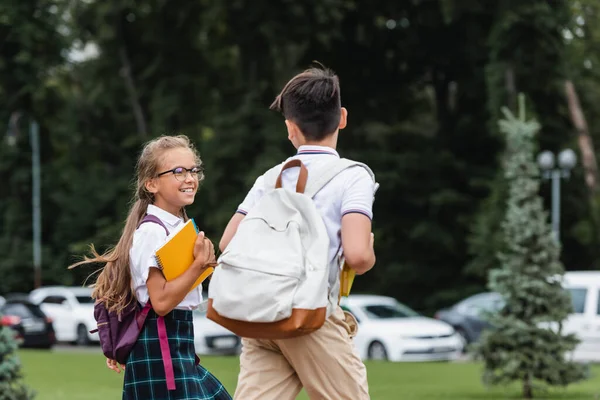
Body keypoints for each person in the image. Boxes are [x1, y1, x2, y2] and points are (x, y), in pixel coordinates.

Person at [219, 66, 376, 400]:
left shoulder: (270, 178)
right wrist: (368, 252)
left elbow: (227, 243)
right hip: (311, 313)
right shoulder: (353, 176)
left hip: (261, 316)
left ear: (290, 128)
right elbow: (358, 255)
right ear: (342, 118)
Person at [70, 135, 231, 400]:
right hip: (160, 347)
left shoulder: (178, 228)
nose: (190, 178)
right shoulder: (152, 233)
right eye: (178, 171)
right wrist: (199, 266)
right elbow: (161, 302)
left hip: (177, 344)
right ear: (151, 183)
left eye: (193, 170)